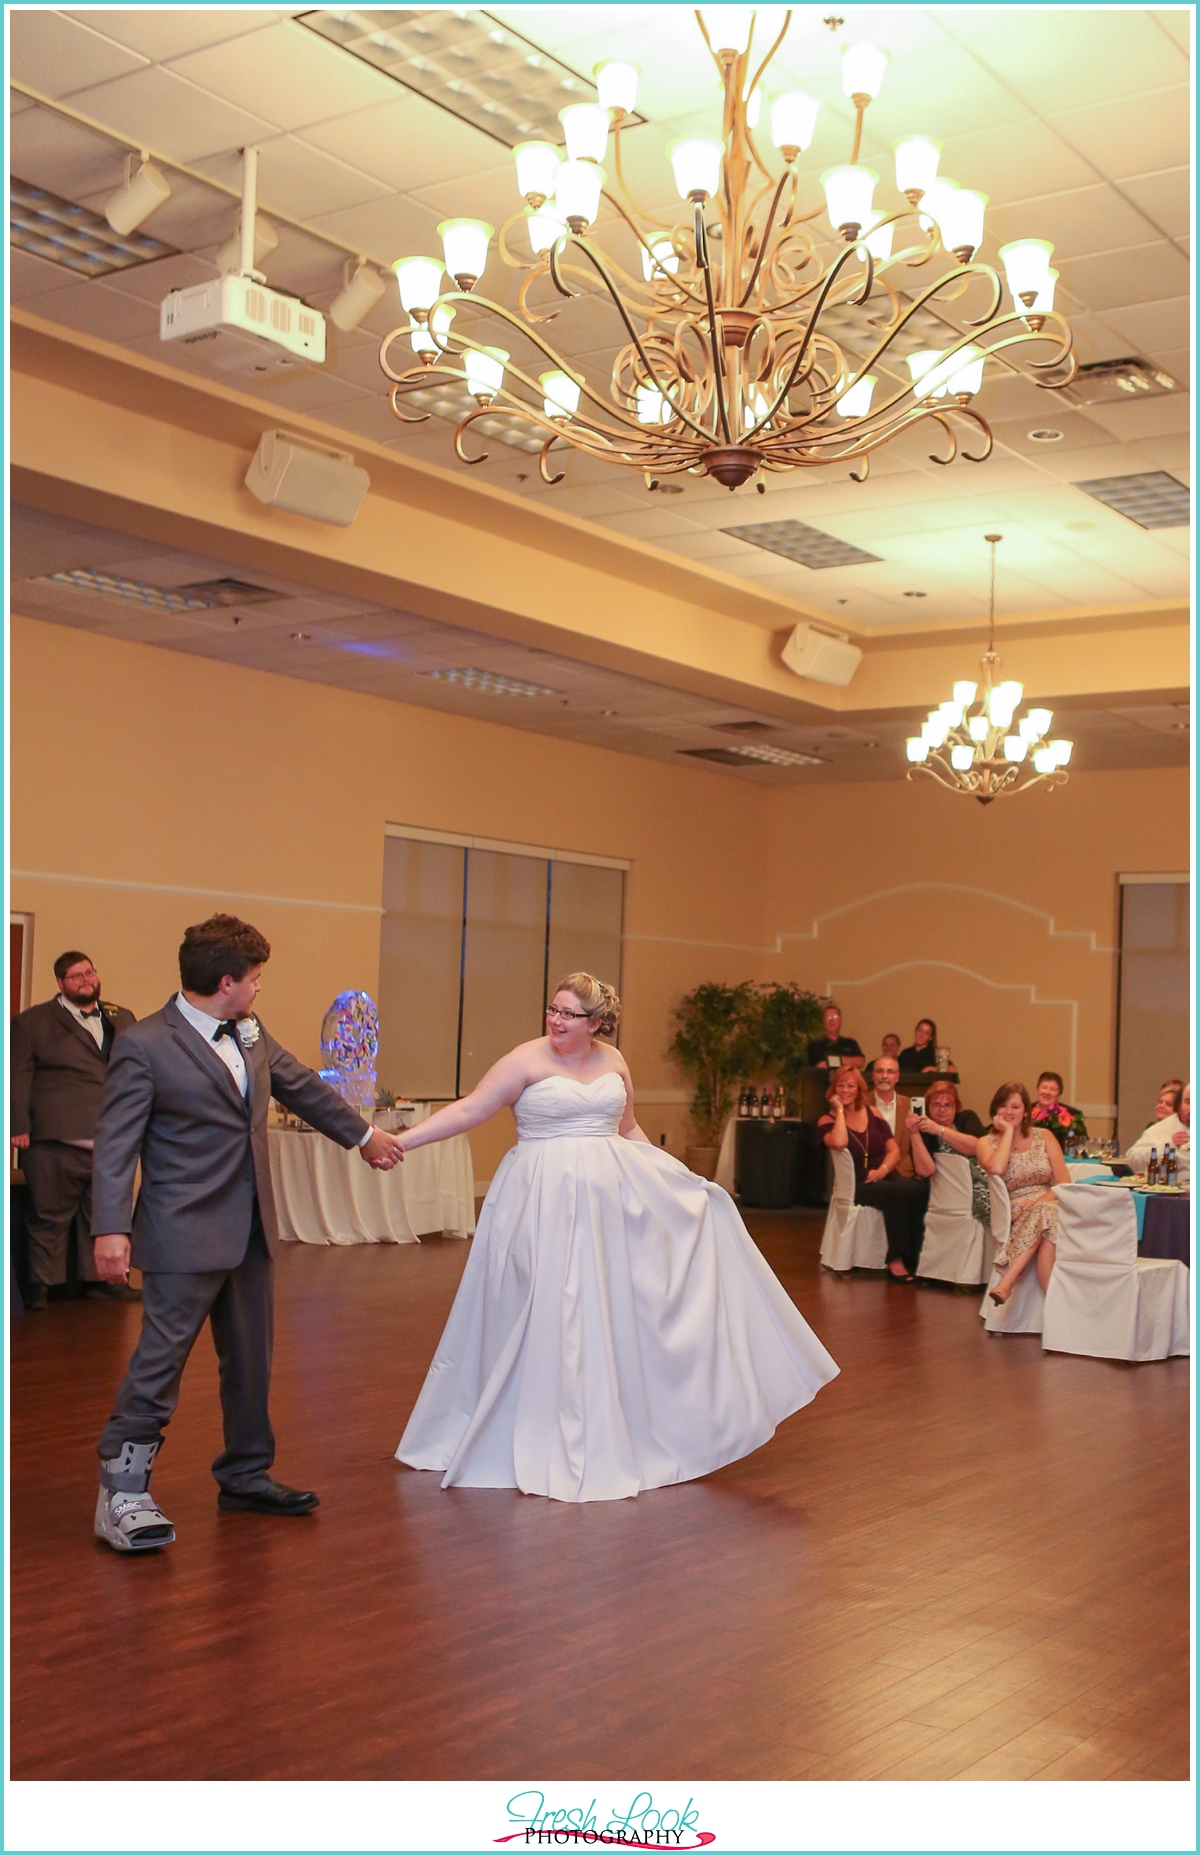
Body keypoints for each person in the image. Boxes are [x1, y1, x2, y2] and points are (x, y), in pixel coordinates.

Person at [395, 973, 838, 1502]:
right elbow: (470, 1109)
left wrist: (675, 1179)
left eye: (568, 1015)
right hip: (539, 1201)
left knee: (595, 1311)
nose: (555, 1021)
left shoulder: (614, 1061)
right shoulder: (525, 1059)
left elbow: (628, 1129)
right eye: (552, 1010)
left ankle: (610, 1426)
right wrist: (403, 1142)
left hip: (604, 1207)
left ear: (596, 1023)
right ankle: (527, 1425)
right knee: (540, 1307)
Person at [90, 915, 404, 1552]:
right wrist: (110, 1229)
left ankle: (245, 1475)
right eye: (255, 979)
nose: (260, 989)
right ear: (225, 981)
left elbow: (302, 1085)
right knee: (160, 1364)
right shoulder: (146, 1044)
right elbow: (115, 1146)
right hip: (181, 1233)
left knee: (251, 1362)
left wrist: (365, 1137)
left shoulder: (252, 1034)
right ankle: (121, 1493)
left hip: (253, 1230)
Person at [10, 950, 138, 1310]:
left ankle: (102, 1281)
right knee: (48, 1217)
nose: (85, 981)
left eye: (89, 973)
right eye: (76, 976)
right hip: (55, 1138)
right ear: (61, 983)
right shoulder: (33, 1022)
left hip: (111, 1138)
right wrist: (17, 1125)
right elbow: (17, 1076)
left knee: (102, 1215)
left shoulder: (120, 1016)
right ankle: (41, 1287)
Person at [819, 1066, 928, 1281]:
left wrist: (882, 1170)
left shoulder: (873, 1113)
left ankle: (915, 1257)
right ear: (833, 1090)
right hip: (859, 1184)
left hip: (884, 1174)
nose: (845, 1090)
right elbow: (839, 1142)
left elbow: (894, 1150)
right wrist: (840, 1111)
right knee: (896, 1195)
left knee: (920, 1188)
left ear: (859, 1089)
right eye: (840, 1085)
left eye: (850, 1085)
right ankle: (895, 1259)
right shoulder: (827, 1120)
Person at [977, 1081, 1069, 1305]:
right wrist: (1008, 1131)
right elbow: (997, 1168)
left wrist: (1039, 1201)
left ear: (1026, 1111)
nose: (1009, 1112)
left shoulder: (1044, 1136)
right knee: (1047, 1224)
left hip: (1049, 1200)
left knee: (1045, 1214)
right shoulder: (985, 1143)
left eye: (1015, 1107)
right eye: (1004, 1106)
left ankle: (1007, 1282)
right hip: (1013, 1209)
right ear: (995, 1110)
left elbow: (1065, 1183)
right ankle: (1056, 1311)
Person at [906, 1079, 992, 1226]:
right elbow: (926, 1170)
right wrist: (914, 1134)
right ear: (929, 1107)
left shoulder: (966, 1118)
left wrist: (940, 1130)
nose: (942, 1109)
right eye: (937, 1105)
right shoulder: (923, 1133)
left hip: (978, 1182)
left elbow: (976, 1147)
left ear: (955, 1107)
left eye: (947, 1105)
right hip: (946, 1189)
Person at [1126, 1082, 1190, 1180]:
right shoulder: (1162, 1128)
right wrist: (1168, 1146)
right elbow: (1133, 1160)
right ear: (1179, 1105)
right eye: (1189, 1102)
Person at [866, 1054, 914, 1176]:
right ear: (873, 1075)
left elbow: (916, 1148)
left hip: (903, 1176)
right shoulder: (861, 1105)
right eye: (880, 1071)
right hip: (870, 1174)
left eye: (890, 1072)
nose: (884, 1076)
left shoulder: (910, 1106)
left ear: (897, 1077)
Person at [1029, 1071, 1088, 1150]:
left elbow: (1083, 1144)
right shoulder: (1024, 1112)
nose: (1047, 1092)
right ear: (1037, 1090)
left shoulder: (1072, 1115)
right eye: (1044, 1087)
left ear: (1059, 1094)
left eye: (1053, 1089)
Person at [806, 1003, 864, 1072]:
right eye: (828, 1017)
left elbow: (860, 1062)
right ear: (823, 1022)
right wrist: (849, 1062)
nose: (832, 1021)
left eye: (835, 1017)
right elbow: (819, 1065)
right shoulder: (815, 1045)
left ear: (840, 1021)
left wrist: (839, 1060)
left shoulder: (850, 1043)